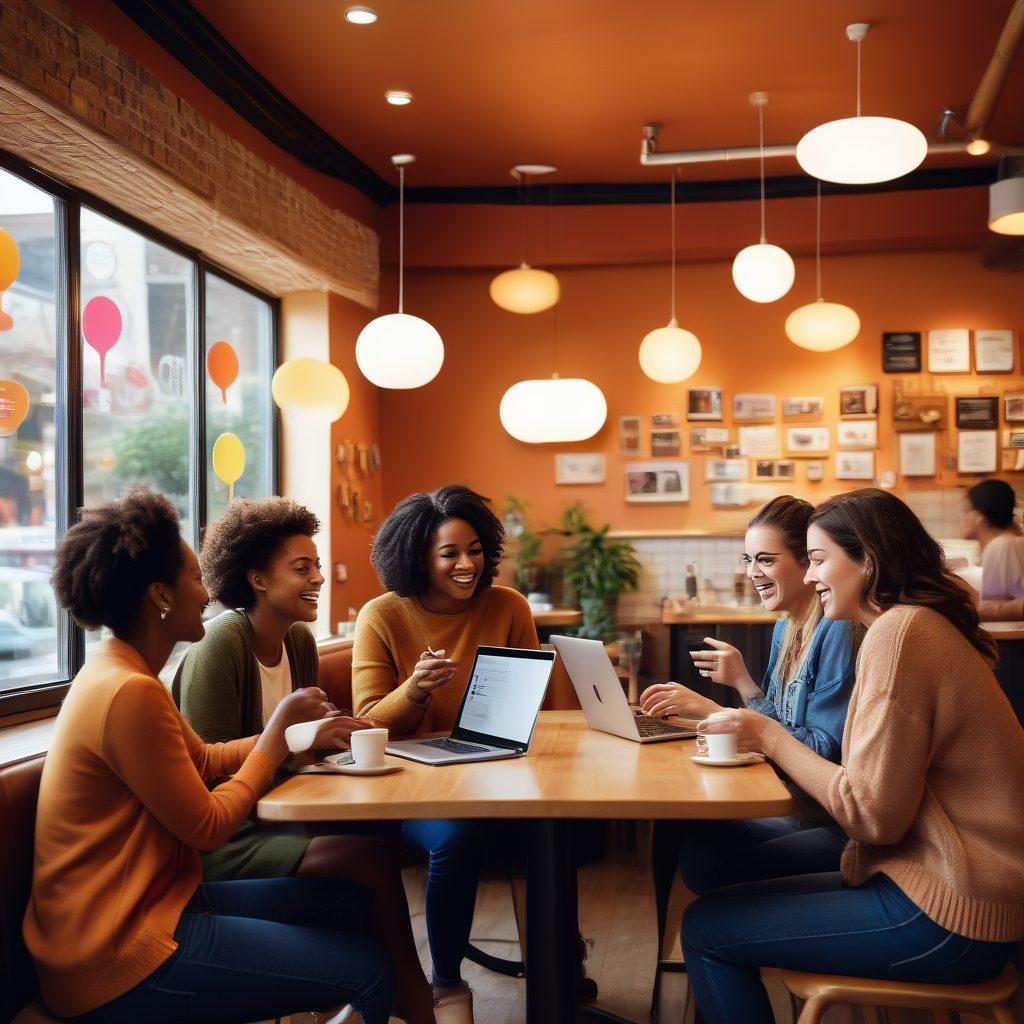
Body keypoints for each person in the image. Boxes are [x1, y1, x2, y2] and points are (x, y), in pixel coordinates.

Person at [25, 489, 394, 1024]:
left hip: (157, 907)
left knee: (350, 902)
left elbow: (202, 760)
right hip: (117, 953)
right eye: (195, 580)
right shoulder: (128, 691)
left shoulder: (123, 670)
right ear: (160, 596)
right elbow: (209, 828)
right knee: (370, 970)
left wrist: (296, 733)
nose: (206, 594)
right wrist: (273, 738)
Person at [682, 488, 1024, 1024]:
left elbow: (872, 817)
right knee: (710, 886)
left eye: (818, 561)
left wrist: (769, 738)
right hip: (950, 894)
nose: (812, 577)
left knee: (706, 928)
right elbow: (870, 803)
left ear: (868, 559)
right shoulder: (908, 626)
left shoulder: (899, 633)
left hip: (953, 913)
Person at [174, 497, 435, 1024]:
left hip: (272, 814)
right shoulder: (222, 645)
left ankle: (392, 995)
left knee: (381, 847)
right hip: (222, 839)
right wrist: (297, 740)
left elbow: (288, 747)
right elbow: (211, 770)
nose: (318, 577)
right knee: (369, 861)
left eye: (316, 565)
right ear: (257, 579)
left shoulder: (295, 641)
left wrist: (329, 739)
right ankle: (413, 1001)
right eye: (302, 567)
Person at [352, 484, 540, 1024]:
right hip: (412, 783)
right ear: (417, 558)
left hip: (498, 773)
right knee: (455, 837)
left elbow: (538, 705)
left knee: (555, 829)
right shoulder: (382, 616)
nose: (468, 565)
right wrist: (415, 690)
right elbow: (365, 724)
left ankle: (558, 963)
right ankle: (449, 982)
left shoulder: (508, 606)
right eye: (450, 554)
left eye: (476, 550)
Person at [639, 495, 857, 895]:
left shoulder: (837, 628)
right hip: (794, 799)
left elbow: (826, 751)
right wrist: (740, 688)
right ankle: (663, 952)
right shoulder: (785, 626)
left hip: (830, 819)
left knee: (702, 859)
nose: (753, 573)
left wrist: (724, 706)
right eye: (748, 559)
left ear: (807, 563)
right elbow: (780, 727)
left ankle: (732, 934)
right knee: (677, 820)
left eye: (766, 560)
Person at [960, 479, 1024, 620]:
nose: (961, 517)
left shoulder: (1000, 546)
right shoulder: (1009, 541)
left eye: (966, 511)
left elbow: (992, 607)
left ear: (980, 516)